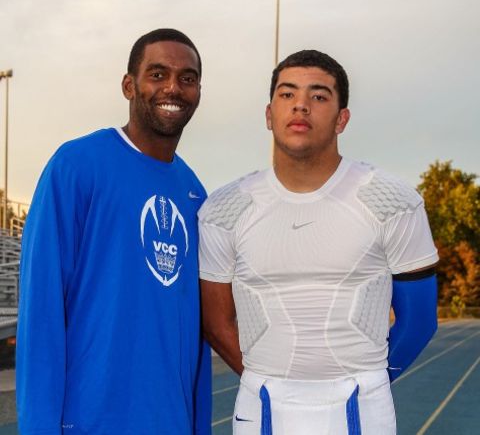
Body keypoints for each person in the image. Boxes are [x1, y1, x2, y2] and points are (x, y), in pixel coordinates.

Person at [198, 50, 438, 435]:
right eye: (287, 94)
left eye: (319, 96)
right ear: (268, 113)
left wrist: (368, 382)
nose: (301, 106)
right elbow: (215, 321)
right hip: (262, 408)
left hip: (361, 407)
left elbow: (421, 321)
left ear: (342, 118)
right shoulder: (223, 209)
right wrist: (270, 379)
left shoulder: (393, 201)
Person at [16, 28, 211, 435]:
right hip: (91, 423)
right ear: (129, 85)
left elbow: (197, 333)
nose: (173, 87)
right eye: (157, 74)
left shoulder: (193, 192)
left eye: (187, 78)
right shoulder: (77, 166)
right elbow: (42, 311)